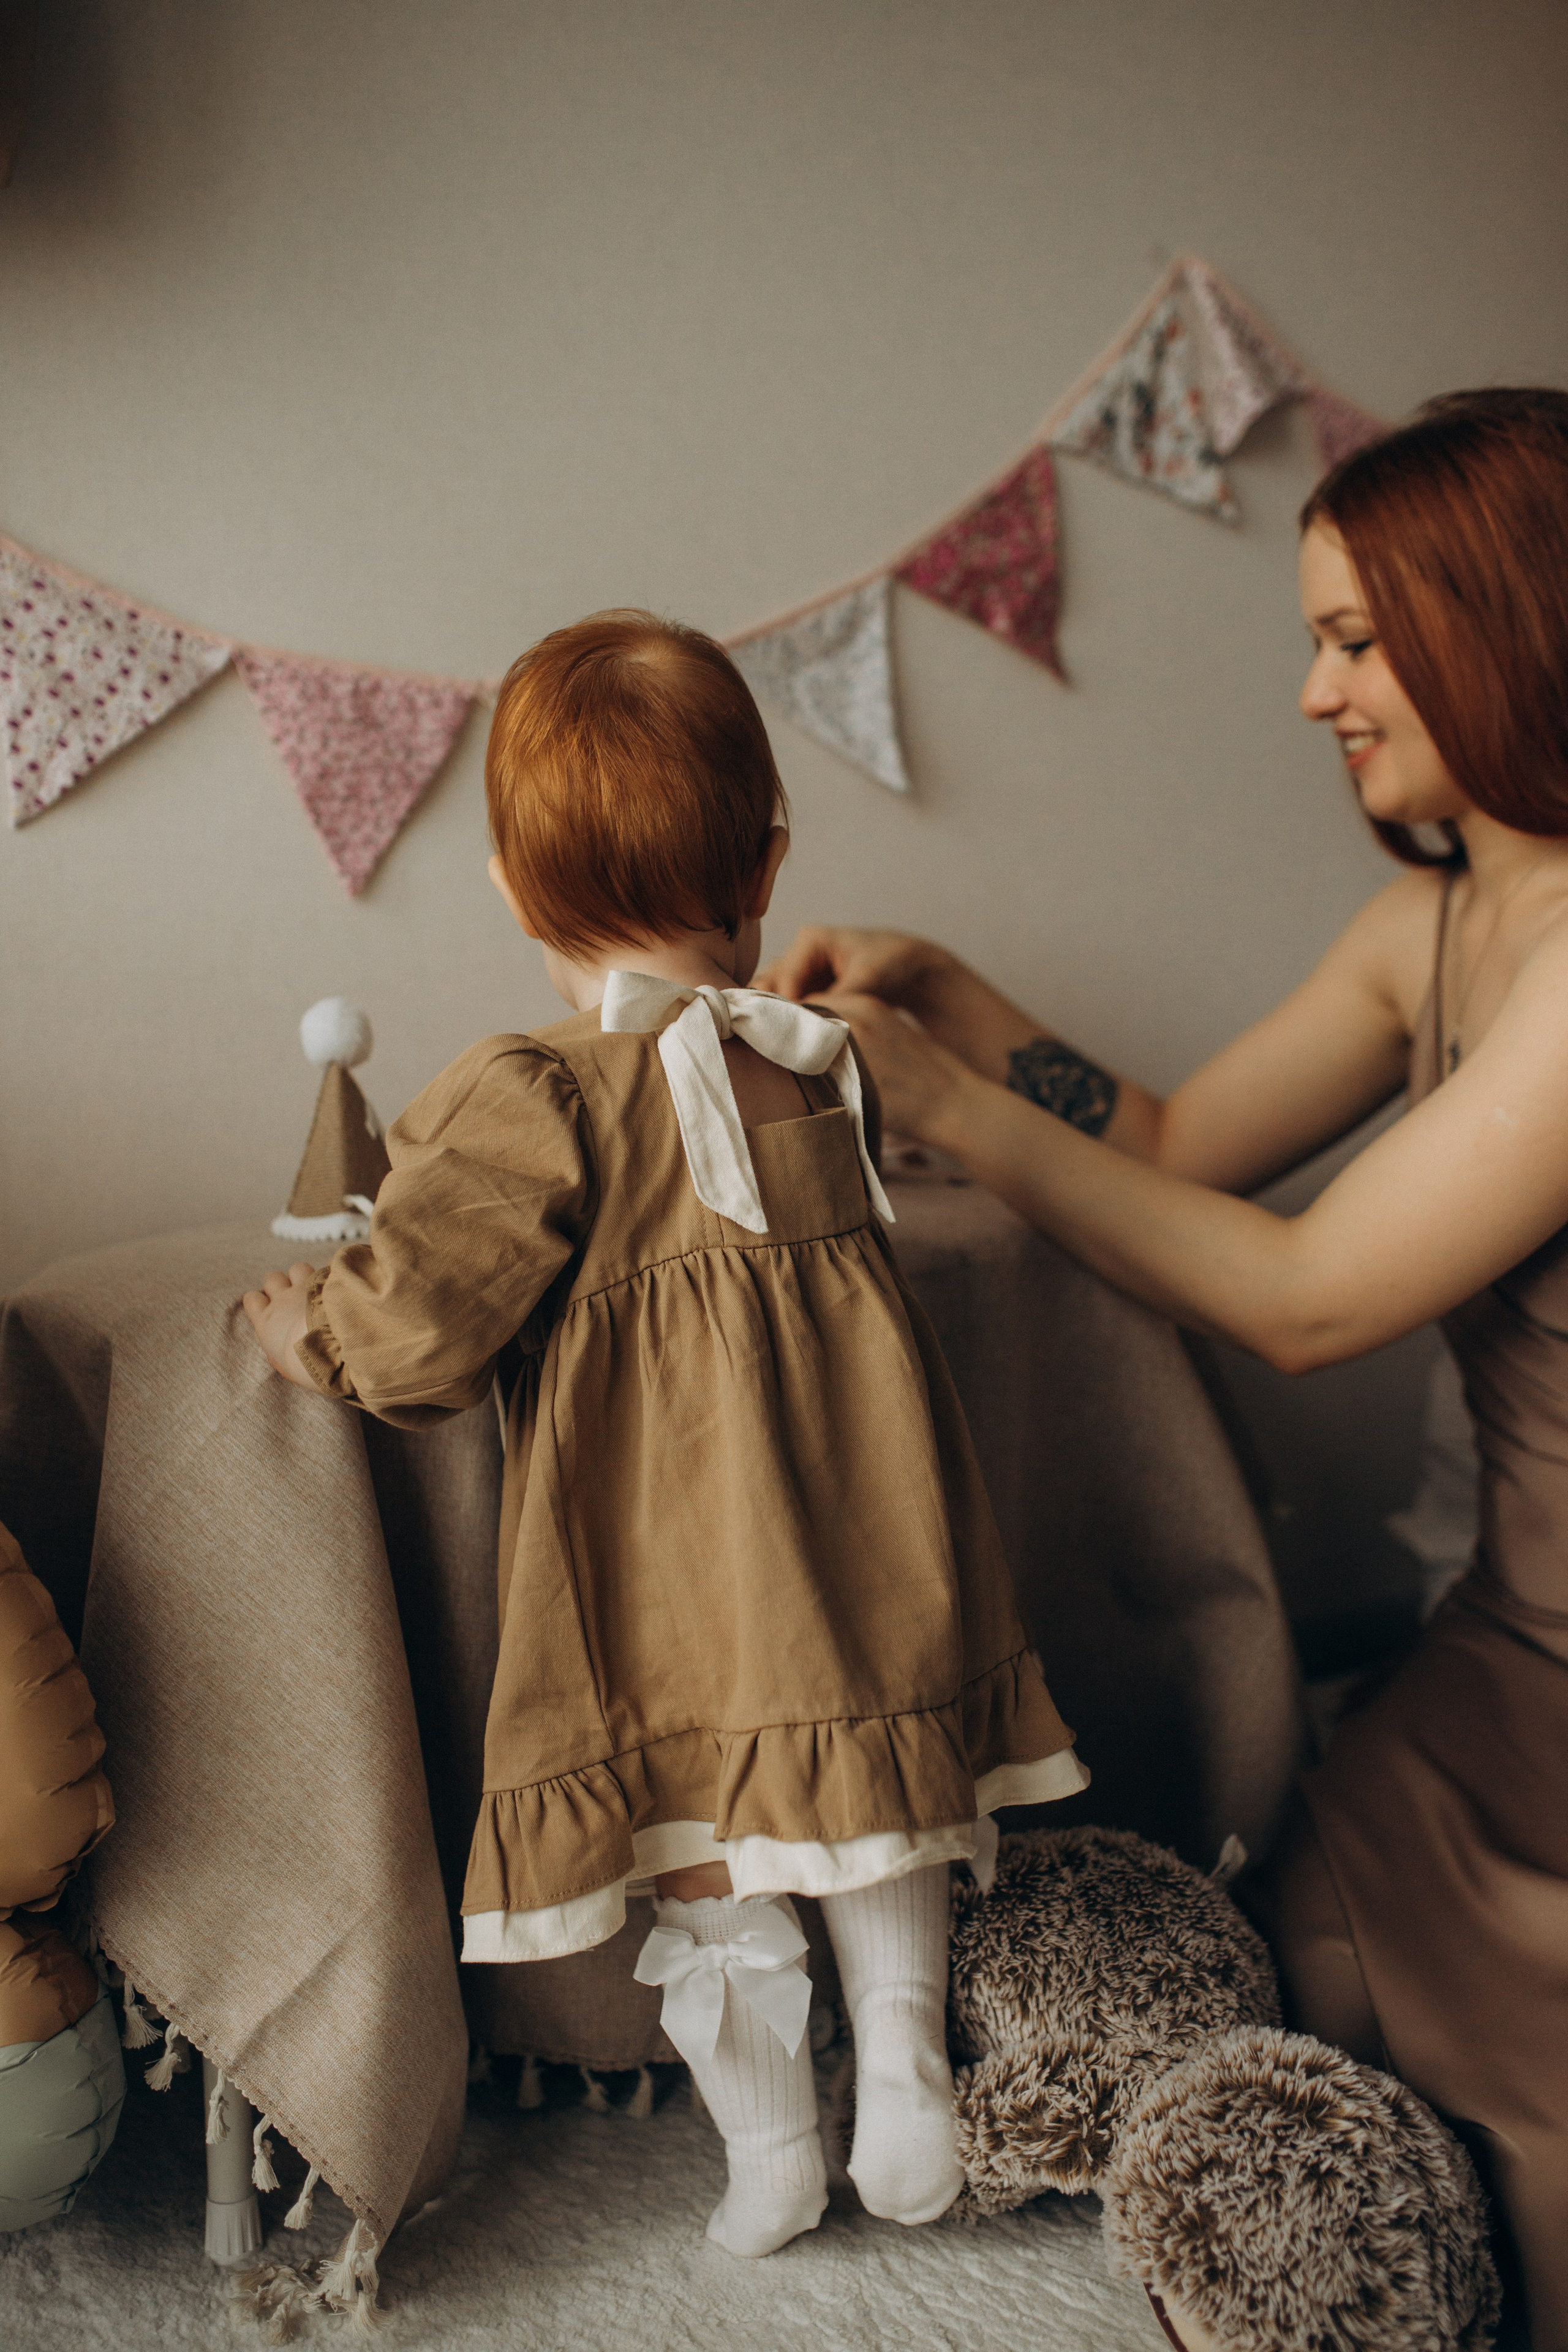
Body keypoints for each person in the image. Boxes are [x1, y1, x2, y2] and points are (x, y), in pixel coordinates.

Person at [761, 387, 1568, 2347]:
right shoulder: (1434, 926)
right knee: (1314, 1941)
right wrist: (972, 1008)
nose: (1316, 695)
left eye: (1359, 642)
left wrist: (944, 1097)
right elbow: (1183, 1145)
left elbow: (1299, 1298)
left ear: (1518, 629)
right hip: (1515, 1646)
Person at [241, 611, 1084, 2261]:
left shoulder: (540, 1089)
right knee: (877, 1792)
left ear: (507, 887)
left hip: (679, 1558)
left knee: (711, 1847)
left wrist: (311, 1330)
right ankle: (905, 2070)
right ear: (768, 863)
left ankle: (775, 2150)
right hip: (876, 1530)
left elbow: (424, 1322)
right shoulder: (824, 1069)